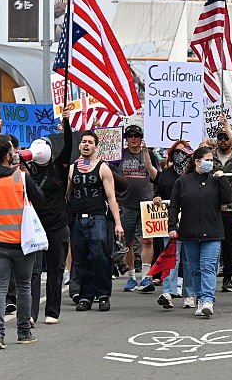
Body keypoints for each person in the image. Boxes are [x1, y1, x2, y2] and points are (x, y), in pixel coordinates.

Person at [0, 135, 45, 348]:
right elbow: (41, 199)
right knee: (24, 287)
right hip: (21, 242)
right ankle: (23, 333)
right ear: (9, 155)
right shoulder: (19, 177)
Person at [167, 146, 232, 318]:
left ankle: (208, 300)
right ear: (197, 161)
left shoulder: (215, 180)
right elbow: (174, 205)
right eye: (207, 160)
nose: (210, 163)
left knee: (208, 267)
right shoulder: (183, 181)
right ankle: (200, 299)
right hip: (189, 232)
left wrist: (223, 179)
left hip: (212, 232)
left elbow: (228, 199)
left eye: (212, 160)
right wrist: (172, 226)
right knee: (195, 269)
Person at [67, 131, 124, 312]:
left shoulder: (102, 168)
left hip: (97, 219)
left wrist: (118, 223)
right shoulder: (72, 168)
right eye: (84, 141)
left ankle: (103, 295)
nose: (86, 145)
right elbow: (65, 196)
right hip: (77, 220)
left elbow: (111, 197)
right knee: (80, 259)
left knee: (100, 257)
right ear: (79, 145)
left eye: (90, 142)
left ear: (95, 147)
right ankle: (85, 297)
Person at [24, 119, 72, 324]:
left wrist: (67, 124)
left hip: (57, 225)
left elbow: (68, 147)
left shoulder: (58, 168)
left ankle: (52, 311)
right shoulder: (27, 169)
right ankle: (31, 312)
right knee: (33, 271)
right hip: (35, 226)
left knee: (55, 269)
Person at [116, 125, 160, 293]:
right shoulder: (120, 155)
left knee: (147, 240)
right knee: (127, 242)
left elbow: (157, 177)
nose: (133, 138)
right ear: (126, 138)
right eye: (130, 135)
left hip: (147, 203)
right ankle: (132, 277)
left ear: (141, 138)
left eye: (136, 135)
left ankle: (147, 276)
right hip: (125, 203)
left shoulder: (150, 154)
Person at [154, 140, 194, 308]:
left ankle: (190, 294)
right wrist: (156, 198)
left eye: (183, 153)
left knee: (189, 259)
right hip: (170, 221)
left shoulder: (193, 176)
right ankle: (168, 291)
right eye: (177, 153)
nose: (180, 156)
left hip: (191, 220)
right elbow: (158, 192)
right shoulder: (166, 174)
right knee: (171, 257)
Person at [214, 117, 232, 293]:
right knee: (212, 243)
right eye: (220, 137)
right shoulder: (209, 156)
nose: (223, 141)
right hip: (212, 206)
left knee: (229, 244)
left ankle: (228, 278)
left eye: (226, 137)